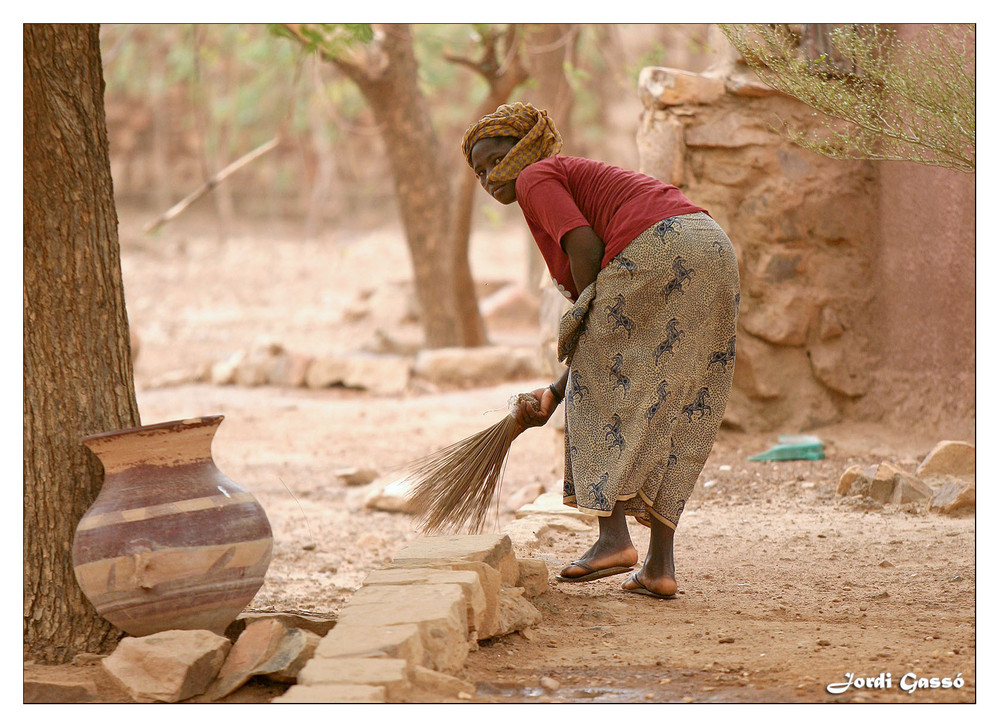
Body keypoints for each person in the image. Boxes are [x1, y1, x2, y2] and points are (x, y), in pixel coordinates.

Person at [462, 102, 740, 599]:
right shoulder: (558, 176)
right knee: (675, 405)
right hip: (710, 248)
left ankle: (613, 540)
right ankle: (659, 567)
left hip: (658, 246)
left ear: (523, 150)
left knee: (599, 389)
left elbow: (585, 246)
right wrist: (557, 388)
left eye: (494, 160)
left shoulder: (536, 176)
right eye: (478, 170)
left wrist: (579, 350)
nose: (487, 176)